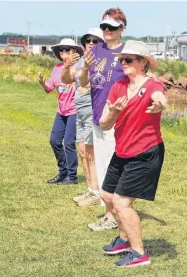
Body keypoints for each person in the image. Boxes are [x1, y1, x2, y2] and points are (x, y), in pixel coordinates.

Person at [99, 40, 166, 267]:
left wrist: (160, 106)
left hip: (146, 152)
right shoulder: (118, 86)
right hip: (123, 151)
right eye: (121, 59)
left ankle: (139, 254)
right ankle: (124, 239)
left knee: (121, 202)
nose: (123, 63)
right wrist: (114, 114)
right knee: (107, 196)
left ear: (143, 62)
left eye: (128, 59)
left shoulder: (152, 85)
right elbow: (104, 124)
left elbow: (160, 98)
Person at [79, 7, 127, 230]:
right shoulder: (96, 50)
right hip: (98, 115)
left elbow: (140, 78)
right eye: (104, 26)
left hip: (116, 118)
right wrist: (87, 67)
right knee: (102, 165)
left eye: (112, 27)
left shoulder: (127, 52)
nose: (107, 30)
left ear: (122, 28)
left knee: (111, 167)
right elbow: (83, 83)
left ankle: (113, 215)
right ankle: (110, 211)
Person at [61, 28, 104, 206]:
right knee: (83, 153)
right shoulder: (80, 63)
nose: (91, 44)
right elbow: (66, 79)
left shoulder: (102, 62)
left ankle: (96, 191)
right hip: (79, 111)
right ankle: (90, 189)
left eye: (95, 41)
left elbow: (90, 87)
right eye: (88, 41)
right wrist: (67, 65)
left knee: (90, 153)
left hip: (91, 112)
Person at [38, 38, 83, 185]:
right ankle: (62, 172)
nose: (63, 52)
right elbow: (49, 88)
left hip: (74, 110)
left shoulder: (79, 68)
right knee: (54, 141)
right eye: (61, 50)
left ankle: (72, 176)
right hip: (61, 111)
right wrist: (42, 83)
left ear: (74, 52)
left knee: (69, 142)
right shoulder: (57, 68)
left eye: (67, 49)